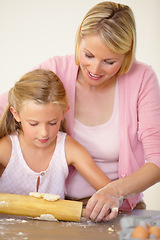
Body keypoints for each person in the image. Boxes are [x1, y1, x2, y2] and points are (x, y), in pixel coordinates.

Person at [0, 1, 160, 221]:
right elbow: (12, 104)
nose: (94, 70)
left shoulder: (142, 78)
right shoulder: (56, 70)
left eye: (109, 61)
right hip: (60, 208)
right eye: (88, 55)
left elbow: (157, 160)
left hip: (117, 207)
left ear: (126, 54)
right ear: (79, 41)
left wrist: (114, 192)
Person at [0, 69, 110, 202]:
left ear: (64, 113)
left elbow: (110, 191)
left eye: (52, 123)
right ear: (16, 114)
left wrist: (108, 200)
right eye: (34, 124)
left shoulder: (67, 147)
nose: (44, 133)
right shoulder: (6, 149)